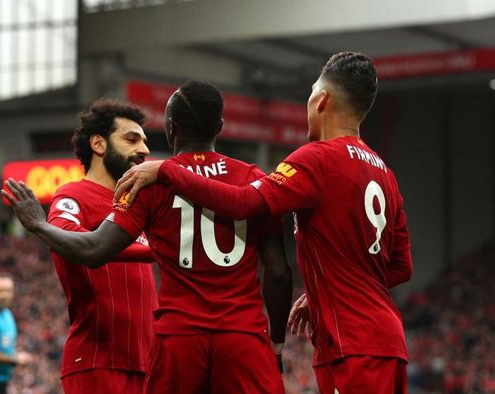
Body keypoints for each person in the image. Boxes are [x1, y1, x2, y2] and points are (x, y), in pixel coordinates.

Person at [113, 52, 413, 393]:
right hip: (390, 340)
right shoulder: (384, 172)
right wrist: (323, 294)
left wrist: (167, 170)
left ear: (322, 100)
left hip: (352, 344)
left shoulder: (316, 159)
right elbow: (401, 266)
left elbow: (244, 203)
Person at [2, 80, 293, 393]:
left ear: (170, 127)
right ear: (220, 126)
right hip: (242, 336)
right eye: (131, 139)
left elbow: (95, 248)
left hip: (177, 340)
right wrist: (276, 344)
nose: (141, 149)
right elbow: (277, 270)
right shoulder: (252, 179)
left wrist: (38, 224)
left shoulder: (149, 182)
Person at [46, 99, 158, 393]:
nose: (144, 150)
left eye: (144, 141)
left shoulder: (138, 204)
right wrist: (157, 250)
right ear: (98, 144)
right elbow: (64, 235)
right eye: (131, 139)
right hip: (98, 363)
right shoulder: (73, 195)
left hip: (149, 364)